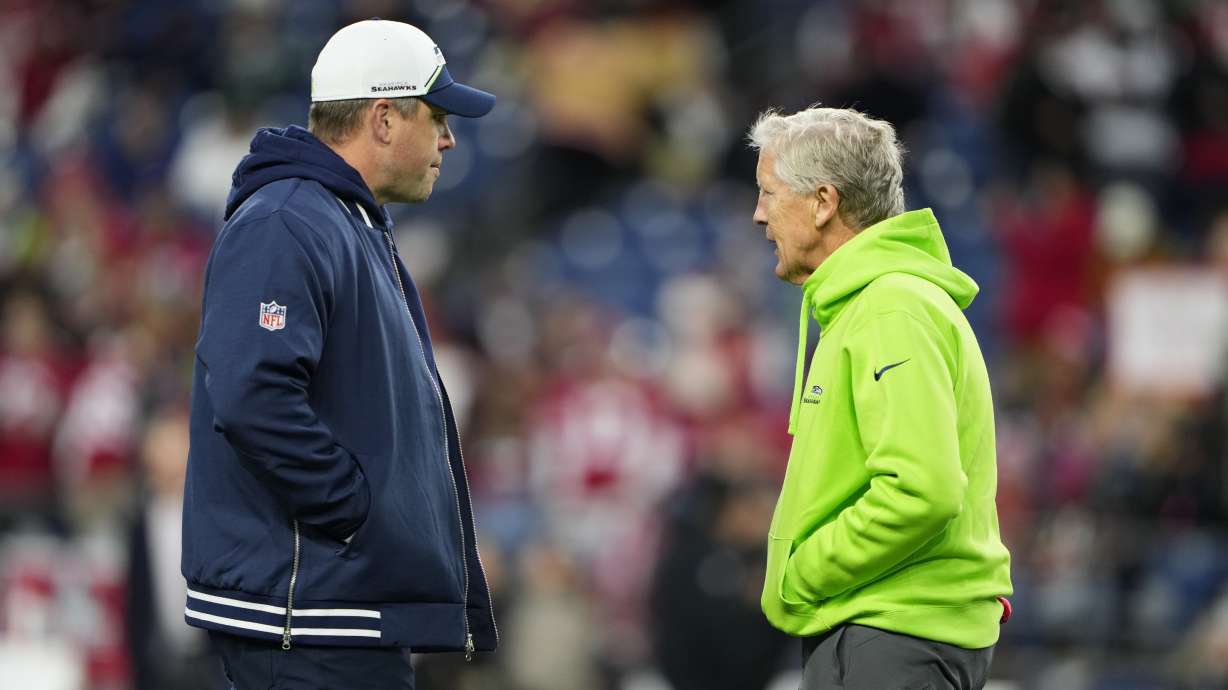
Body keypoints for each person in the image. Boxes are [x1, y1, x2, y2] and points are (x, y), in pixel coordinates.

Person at [182, 20, 497, 690]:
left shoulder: (337, 218)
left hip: (336, 610)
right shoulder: (287, 220)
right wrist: (355, 512)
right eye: (436, 116)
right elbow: (251, 395)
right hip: (308, 618)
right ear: (384, 118)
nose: (447, 138)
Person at [748, 106, 1013, 690]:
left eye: (768, 193)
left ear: (823, 202)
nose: (758, 214)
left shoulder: (891, 309)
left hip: (889, 633)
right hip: (889, 630)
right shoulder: (876, 305)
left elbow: (922, 490)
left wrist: (803, 572)